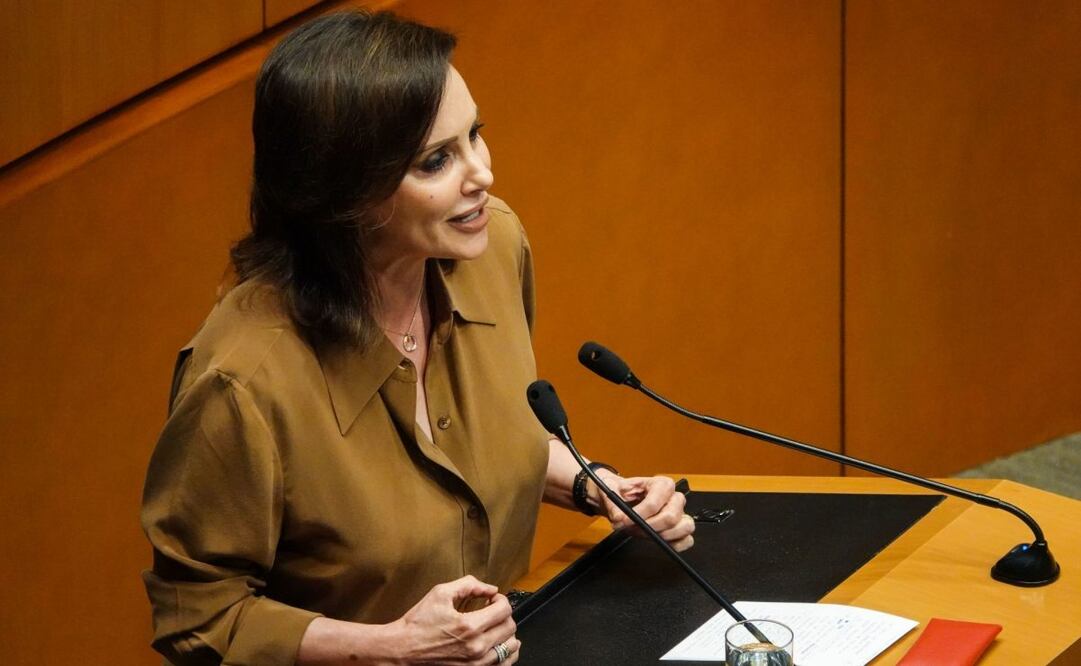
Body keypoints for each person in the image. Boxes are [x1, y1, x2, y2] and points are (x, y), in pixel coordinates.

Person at [141, 10, 695, 666]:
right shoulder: (243, 379)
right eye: (436, 160)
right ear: (344, 191)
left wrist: (595, 486)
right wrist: (395, 648)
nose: (481, 174)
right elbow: (197, 617)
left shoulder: (493, 251)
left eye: (475, 137)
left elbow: (489, 442)